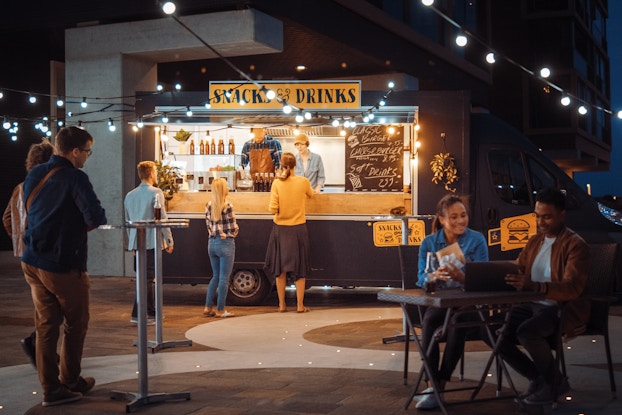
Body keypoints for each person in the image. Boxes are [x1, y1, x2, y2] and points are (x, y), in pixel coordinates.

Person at [21, 126, 107, 407]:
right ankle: (70, 380)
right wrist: (72, 230)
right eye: (87, 151)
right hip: (61, 263)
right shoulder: (75, 178)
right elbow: (95, 216)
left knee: (46, 326)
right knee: (76, 323)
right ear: (74, 151)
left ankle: (51, 390)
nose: (87, 157)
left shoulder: (35, 173)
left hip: (32, 260)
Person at [498, 187, 590, 405]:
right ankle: (547, 380)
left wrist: (536, 286)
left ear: (562, 214)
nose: (540, 222)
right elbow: (518, 266)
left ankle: (549, 386)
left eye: (547, 217)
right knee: (496, 335)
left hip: (561, 308)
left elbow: (571, 287)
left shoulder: (576, 245)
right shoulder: (535, 241)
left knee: (527, 332)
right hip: (532, 304)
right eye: (537, 216)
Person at [412, 194, 489, 410]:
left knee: (457, 324)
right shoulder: (429, 243)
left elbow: (484, 277)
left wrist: (462, 277)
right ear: (442, 219)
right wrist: (433, 276)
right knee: (429, 322)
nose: (460, 221)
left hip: (470, 302)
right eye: (453, 217)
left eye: (463, 215)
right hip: (442, 300)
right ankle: (431, 384)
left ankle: (439, 386)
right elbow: (420, 277)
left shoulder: (477, 239)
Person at [3, 139, 54, 367]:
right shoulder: (50, 184)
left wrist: (20, 241)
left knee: (43, 305)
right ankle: (40, 348)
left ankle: (39, 346)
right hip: (48, 254)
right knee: (56, 306)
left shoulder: (20, 187)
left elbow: (6, 219)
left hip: (27, 255)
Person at [124, 161, 174, 325]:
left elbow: (128, 221)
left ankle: (148, 312)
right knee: (147, 278)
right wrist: (169, 240)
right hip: (151, 240)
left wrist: (132, 243)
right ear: (152, 174)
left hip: (137, 241)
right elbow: (162, 218)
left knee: (143, 277)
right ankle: (141, 315)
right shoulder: (156, 192)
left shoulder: (130, 195)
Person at [264, 152, 314, 313]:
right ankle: (300, 305)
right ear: (295, 165)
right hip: (298, 229)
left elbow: (272, 209)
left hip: (280, 230)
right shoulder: (303, 182)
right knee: (300, 268)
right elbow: (312, 195)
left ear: (282, 165)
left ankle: (282, 305)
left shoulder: (277, 183)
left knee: (280, 269)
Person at [203, 178, 239, 318]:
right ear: (223, 189)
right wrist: (235, 231)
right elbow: (232, 228)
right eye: (227, 185)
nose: (229, 186)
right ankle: (220, 310)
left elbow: (207, 226)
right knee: (224, 278)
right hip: (226, 243)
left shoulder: (208, 205)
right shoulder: (228, 205)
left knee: (216, 276)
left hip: (211, 243)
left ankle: (207, 307)